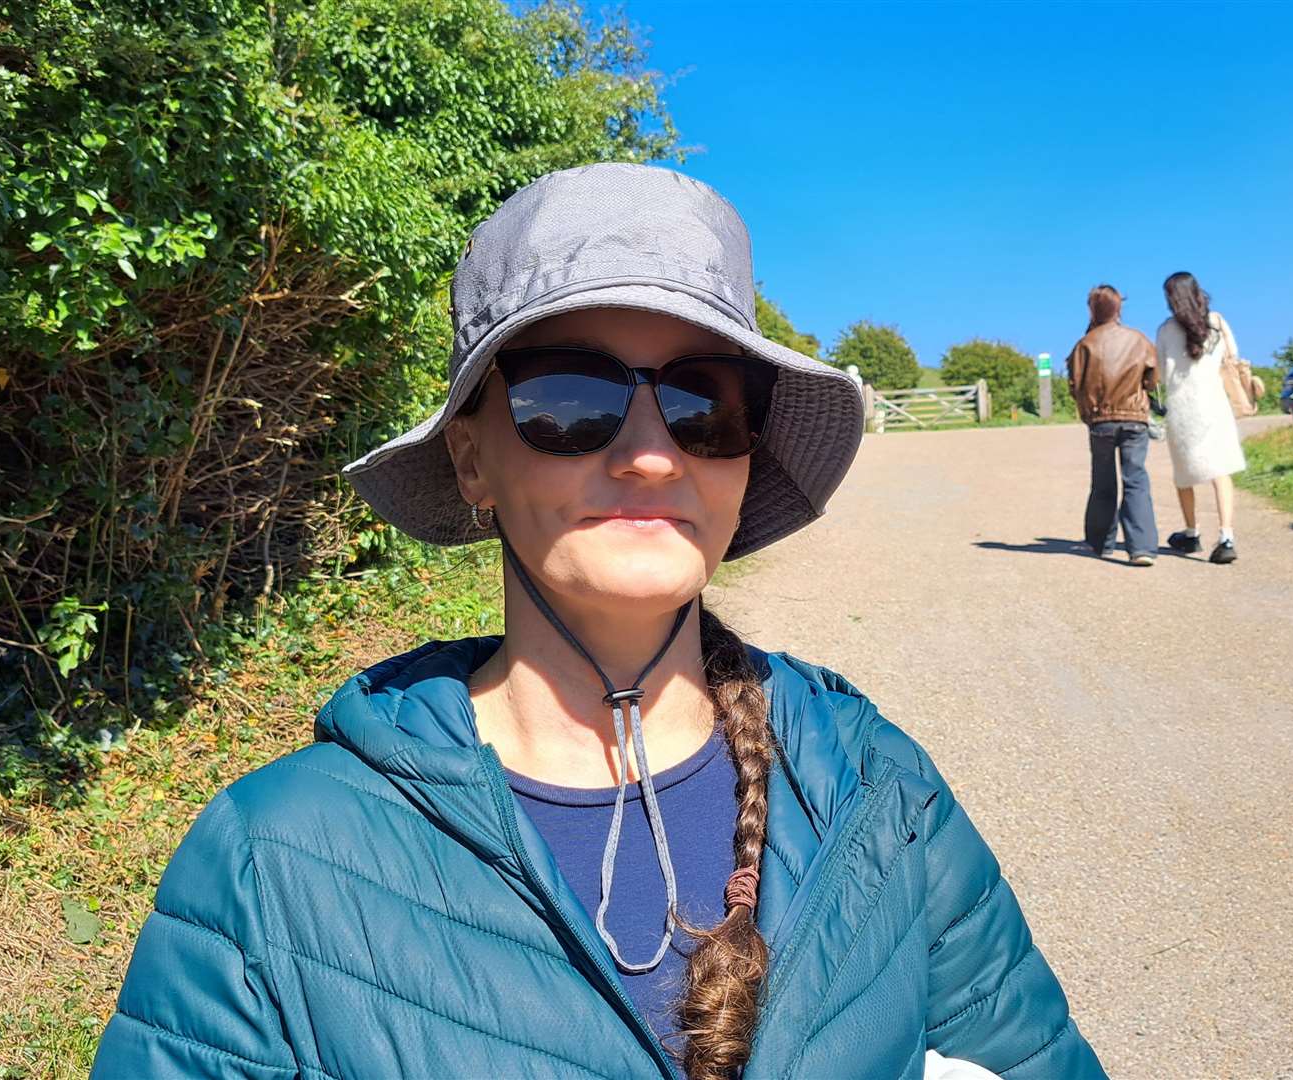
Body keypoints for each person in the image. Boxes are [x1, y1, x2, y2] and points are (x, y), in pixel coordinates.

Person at [91, 164, 1107, 1079]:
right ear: (471, 459)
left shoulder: (874, 789)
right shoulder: (275, 861)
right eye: (569, 400)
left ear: (744, 452)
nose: (653, 454)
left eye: (706, 403)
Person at [1065, 284, 1160, 565]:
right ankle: (1141, 548)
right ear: (1119, 307)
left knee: (1103, 482)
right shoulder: (1139, 340)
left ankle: (1101, 543)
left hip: (1100, 420)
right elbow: (1153, 379)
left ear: (1091, 310)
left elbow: (1075, 385)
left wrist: (1088, 413)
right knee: (1136, 480)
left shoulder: (1084, 345)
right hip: (1134, 419)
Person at [1156, 271, 1246, 565]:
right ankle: (1226, 536)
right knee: (1221, 471)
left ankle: (1192, 532)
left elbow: (1158, 374)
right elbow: (1233, 356)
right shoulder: (1217, 322)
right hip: (1215, 405)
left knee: (1184, 475)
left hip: (1183, 409)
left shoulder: (1166, 330)